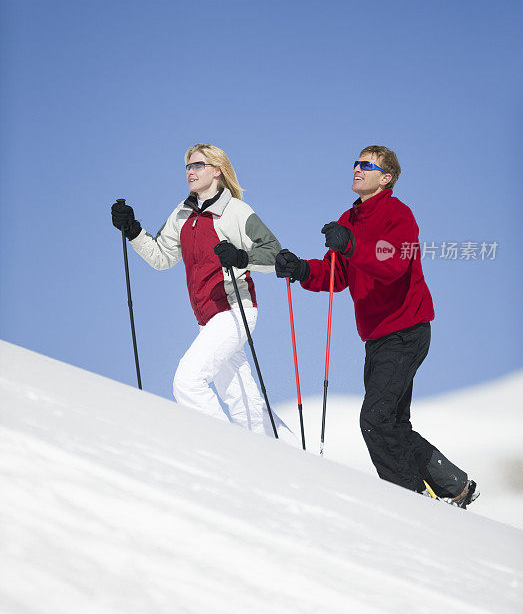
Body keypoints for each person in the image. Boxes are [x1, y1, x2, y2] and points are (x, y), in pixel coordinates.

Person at [275, 145, 478, 507]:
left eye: (367, 165)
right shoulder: (348, 218)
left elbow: (393, 266)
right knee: (393, 423)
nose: (357, 168)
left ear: (386, 178)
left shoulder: (399, 215)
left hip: (406, 329)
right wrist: (302, 269)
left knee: (375, 418)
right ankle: (455, 486)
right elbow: (336, 275)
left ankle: (411, 502)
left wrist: (351, 245)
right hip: (377, 337)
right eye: (356, 163)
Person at [111, 143, 294, 442]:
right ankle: (281, 452)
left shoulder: (235, 211)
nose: (190, 172)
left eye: (198, 165)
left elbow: (273, 252)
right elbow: (161, 257)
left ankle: (227, 448)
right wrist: (132, 230)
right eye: (188, 167)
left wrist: (241, 257)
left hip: (235, 310)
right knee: (240, 396)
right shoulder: (182, 213)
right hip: (207, 320)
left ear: (217, 171)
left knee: (188, 381)